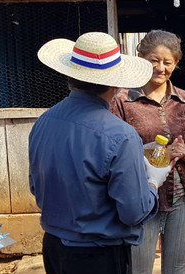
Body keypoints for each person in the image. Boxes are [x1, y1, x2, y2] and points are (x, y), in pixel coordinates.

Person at [29, 32, 171, 274]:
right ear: (114, 84)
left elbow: (36, 186)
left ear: (71, 77)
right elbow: (134, 211)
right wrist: (153, 182)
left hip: (54, 247)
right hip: (97, 256)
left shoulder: (44, 121)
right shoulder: (121, 135)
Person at [110, 30, 185, 274]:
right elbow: (113, 154)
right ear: (140, 57)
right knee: (138, 269)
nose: (160, 67)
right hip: (140, 200)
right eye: (154, 60)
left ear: (176, 63)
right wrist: (160, 154)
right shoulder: (122, 100)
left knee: (178, 268)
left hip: (183, 199)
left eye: (167, 62)